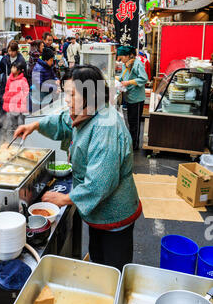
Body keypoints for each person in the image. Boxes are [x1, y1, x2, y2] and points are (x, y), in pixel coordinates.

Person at [14, 65, 142, 271]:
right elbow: (64, 121)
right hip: (98, 213)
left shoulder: (105, 126)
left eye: (72, 94)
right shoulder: (87, 112)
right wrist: (34, 126)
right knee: (98, 259)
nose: (66, 100)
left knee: (112, 270)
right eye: (65, 93)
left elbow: (101, 182)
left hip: (114, 214)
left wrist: (66, 199)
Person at [117, 45, 148, 150]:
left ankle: (135, 145)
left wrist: (129, 82)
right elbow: (122, 76)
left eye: (121, 58)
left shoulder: (138, 64)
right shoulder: (125, 65)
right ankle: (131, 142)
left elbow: (144, 78)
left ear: (129, 55)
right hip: (129, 97)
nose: (120, 60)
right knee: (130, 121)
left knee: (135, 123)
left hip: (137, 98)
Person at [3, 62, 29, 133]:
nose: (12, 69)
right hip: (12, 102)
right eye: (12, 67)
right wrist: (7, 96)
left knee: (22, 116)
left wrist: (23, 97)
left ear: (19, 70)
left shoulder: (23, 79)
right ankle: (14, 128)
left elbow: (26, 90)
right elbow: (7, 88)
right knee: (13, 116)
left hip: (20, 101)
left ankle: (23, 128)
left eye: (14, 67)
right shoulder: (9, 79)